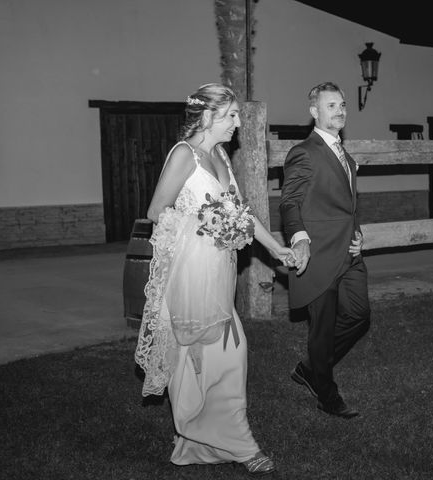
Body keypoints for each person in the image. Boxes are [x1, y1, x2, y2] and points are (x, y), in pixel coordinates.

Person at [135, 83, 294, 476]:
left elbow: (239, 211)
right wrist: (207, 223)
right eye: (231, 116)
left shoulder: (220, 155)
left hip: (219, 271)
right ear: (207, 117)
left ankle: (197, 443)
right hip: (189, 275)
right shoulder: (183, 155)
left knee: (216, 357)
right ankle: (241, 446)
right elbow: (156, 211)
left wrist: (276, 249)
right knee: (212, 357)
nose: (237, 124)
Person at [279, 81, 371, 419]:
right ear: (314, 112)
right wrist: (300, 237)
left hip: (349, 251)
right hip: (318, 254)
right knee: (323, 327)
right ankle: (327, 395)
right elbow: (290, 202)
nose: (341, 110)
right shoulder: (304, 152)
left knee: (359, 315)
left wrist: (357, 233)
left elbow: (346, 206)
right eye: (332, 105)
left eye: (343, 105)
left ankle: (310, 369)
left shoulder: (344, 155)